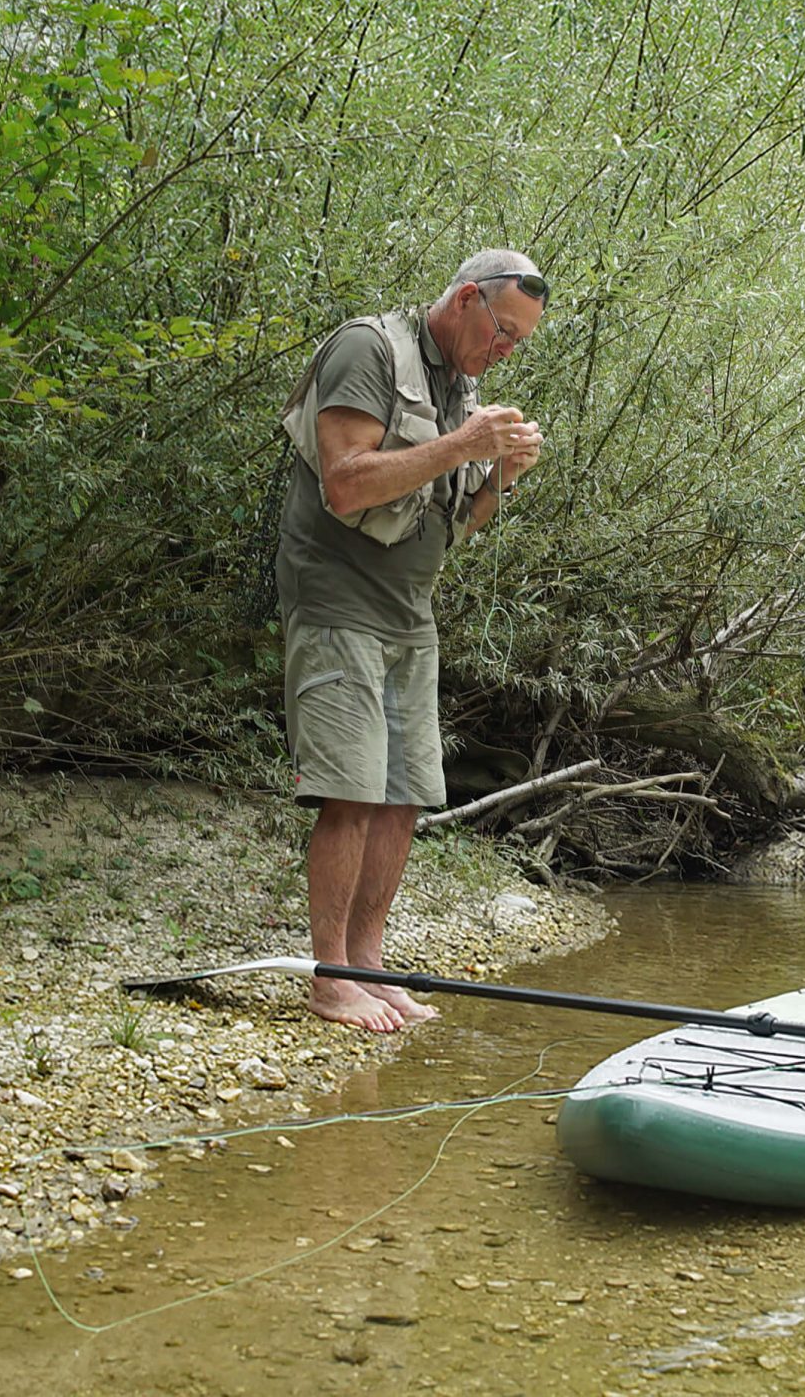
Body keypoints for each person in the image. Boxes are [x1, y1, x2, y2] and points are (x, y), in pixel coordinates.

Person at [273, 250, 549, 1031]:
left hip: (409, 611)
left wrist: (501, 476)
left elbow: (458, 522)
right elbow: (347, 482)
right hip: (336, 600)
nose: (506, 350)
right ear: (466, 300)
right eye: (503, 331)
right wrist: (464, 446)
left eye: (518, 342)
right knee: (354, 790)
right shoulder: (367, 347)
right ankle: (330, 979)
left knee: (403, 796)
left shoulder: (461, 385)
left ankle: (369, 965)